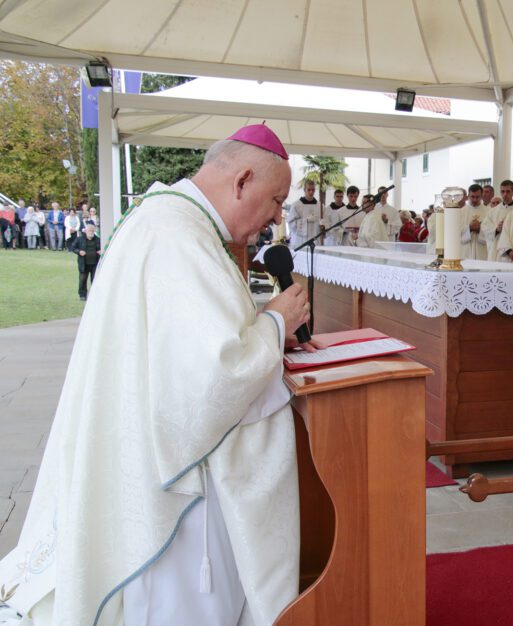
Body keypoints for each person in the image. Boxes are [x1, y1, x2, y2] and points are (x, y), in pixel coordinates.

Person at [0, 124, 310, 624]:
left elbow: (188, 342)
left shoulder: (170, 220)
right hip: (174, 481)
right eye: (275, 199)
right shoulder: (178, 235)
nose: (276, 217)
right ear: (242, 180)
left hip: (142, 440)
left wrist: (262, 325)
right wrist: (275, 322)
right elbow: (215, 374)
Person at [480, 180, 513, 261]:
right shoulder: (493, 211)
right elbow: (484, 227)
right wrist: (496, 229)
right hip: (496, 249)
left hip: (512, 249)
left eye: (508, 191)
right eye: (502, 191)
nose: (505, 194)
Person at [287, 179, 320, 248]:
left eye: (313, 190)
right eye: (309, 190)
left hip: (316, 240)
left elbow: (324, 223)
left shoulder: (320, 206)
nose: (311, 192)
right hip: (301, 240)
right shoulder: (296, 205)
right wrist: (306, 220)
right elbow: (291, 223)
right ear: (304, 190)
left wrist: (323, 224)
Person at [71, 222, 100, 300]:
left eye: (92, 231)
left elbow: (102, 249)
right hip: (84, 264)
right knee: (82, 280)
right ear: (86, 231)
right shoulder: (80, 239)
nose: (91, 232)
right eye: (89, 230)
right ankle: (82, 295)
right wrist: (79, 251)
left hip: (95, 264)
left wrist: (100, 252)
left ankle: (94, 295)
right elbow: (73, 248)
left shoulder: (97, 239)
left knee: (94, 280)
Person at [459, 183, 488, 261]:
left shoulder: (489, 212)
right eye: (472, 197)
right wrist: (469, 228)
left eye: (477, 197)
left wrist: (479, 229)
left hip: (483, 251)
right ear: (468, 196)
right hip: (465, 251)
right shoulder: (460, 212)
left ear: (482, 196)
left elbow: (492, 234)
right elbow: (455, 234)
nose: (475, 200)